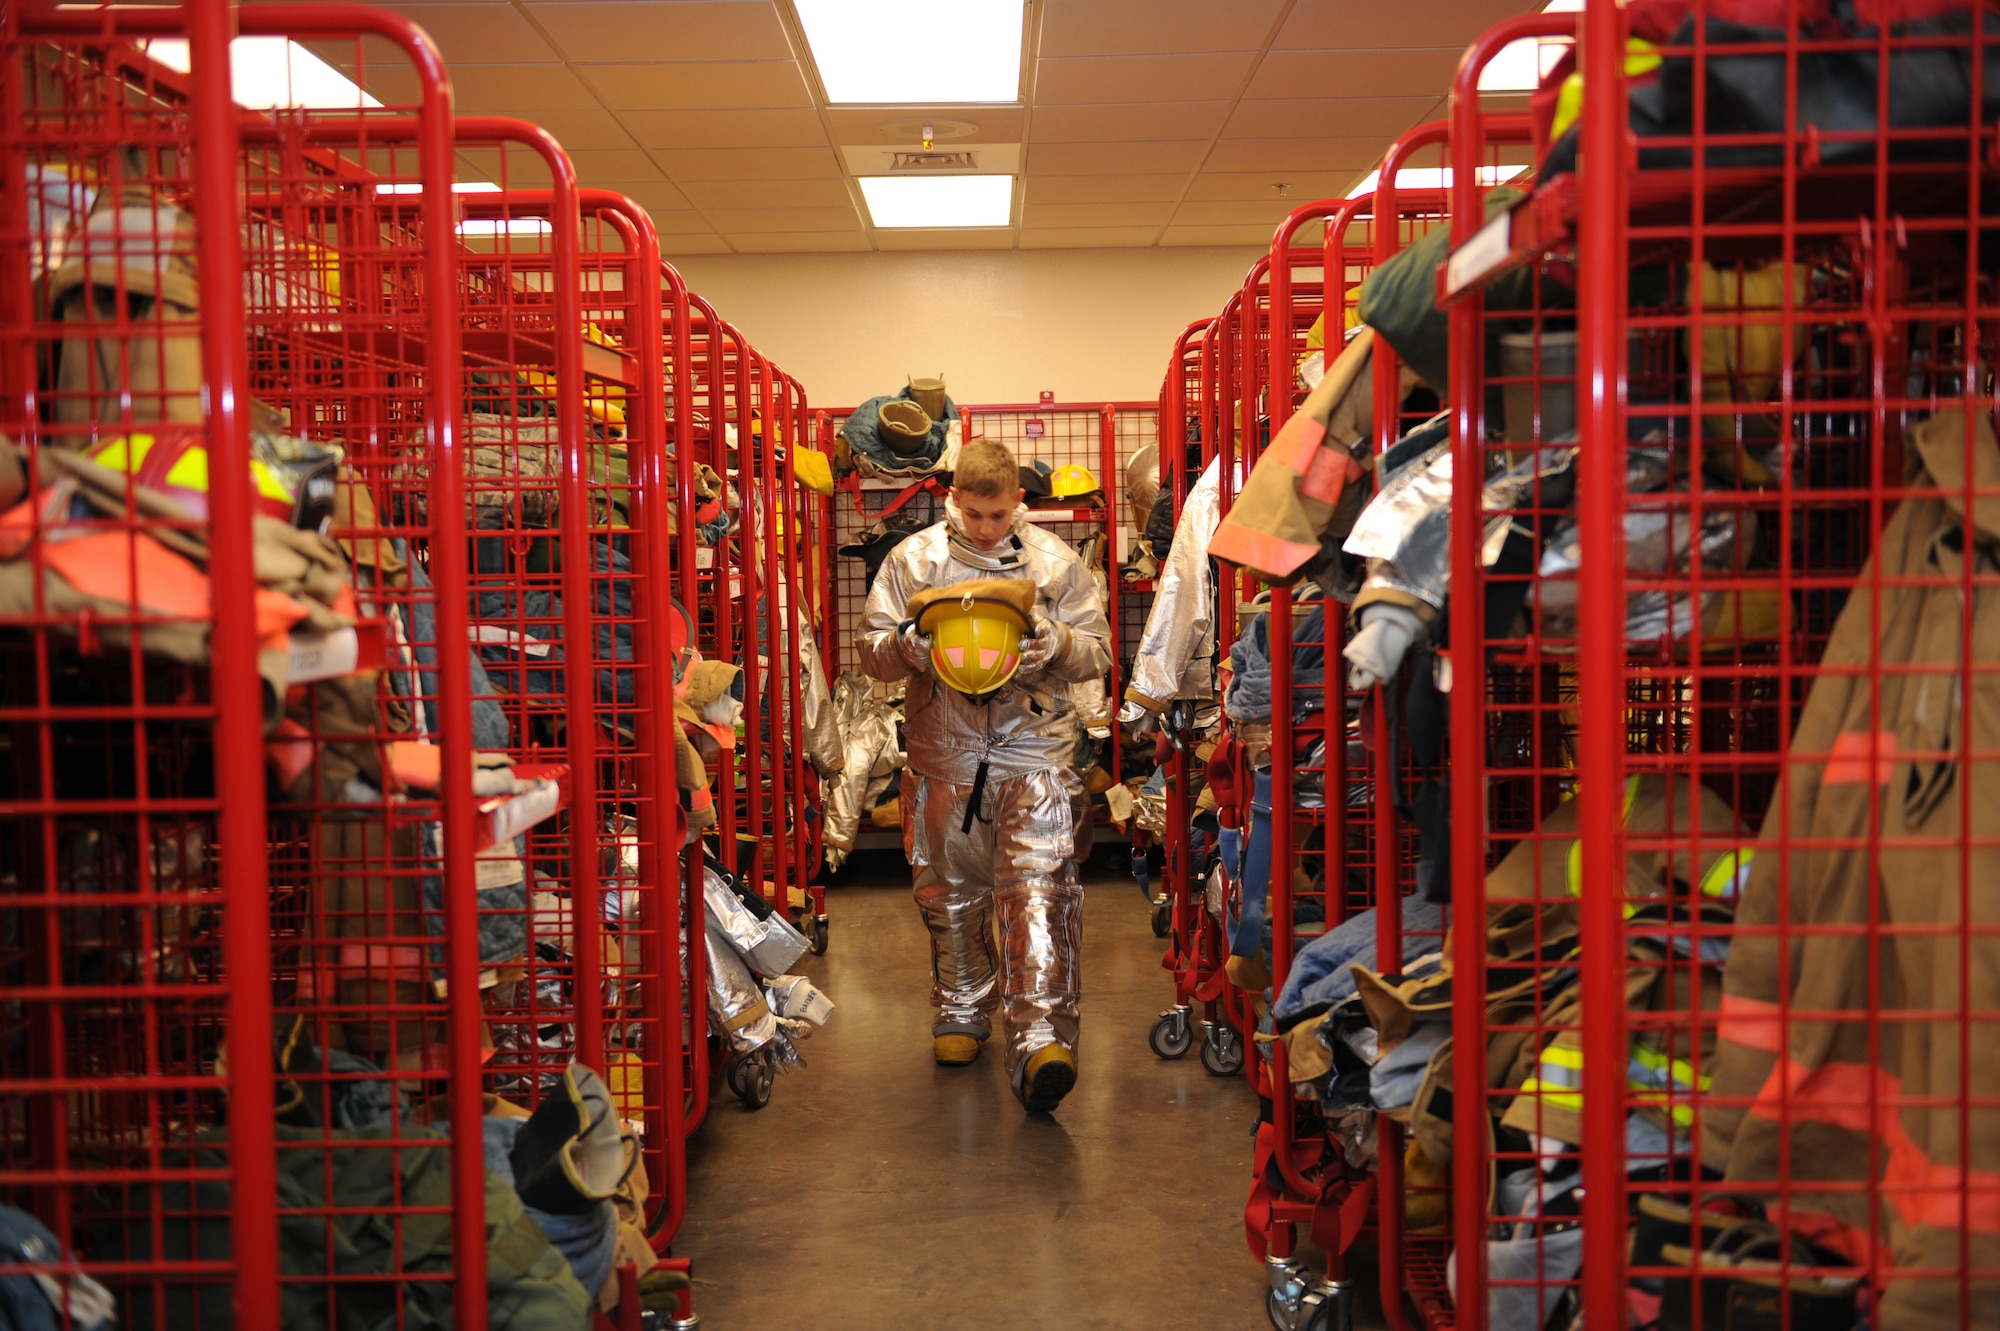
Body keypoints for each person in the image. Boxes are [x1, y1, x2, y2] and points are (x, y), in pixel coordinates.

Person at [856, 439, 1111, 1112]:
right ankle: (962, 1008)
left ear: (1018, 502)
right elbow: (870, 651)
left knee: (1040, 892)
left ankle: (1042, 1039)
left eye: (998, 515)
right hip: (945, 752)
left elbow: (1098, 653)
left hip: (1036, 751)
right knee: (949, 894)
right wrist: (905, 647)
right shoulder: (912, 561)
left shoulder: (1056, 563)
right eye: (974, 514)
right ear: (954, 501)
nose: (987, 527)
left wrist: (1057, 643)